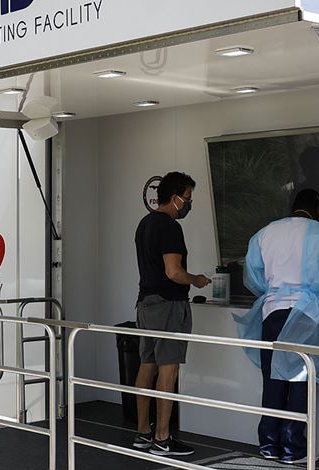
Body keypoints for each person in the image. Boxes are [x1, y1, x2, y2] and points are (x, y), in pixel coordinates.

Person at [234, 189, 319, 463]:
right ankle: (293, 449)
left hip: (272, 310)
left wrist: (273, 291)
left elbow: (252, 275)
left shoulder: (266, 233)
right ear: (318, 211)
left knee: (272, 379)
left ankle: (268, 445)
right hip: (307, 312)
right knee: (301, 379)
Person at [133, 171, 211, 457]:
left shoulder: (145, 223)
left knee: (147, 365)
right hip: (168, 304)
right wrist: (196, 280)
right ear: (175, 197)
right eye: (188, 198)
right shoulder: (169, 227)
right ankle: (162, 438)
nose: (189, 203)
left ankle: (143, 433)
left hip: (145, 303)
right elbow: (173, 272)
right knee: (169, 369)